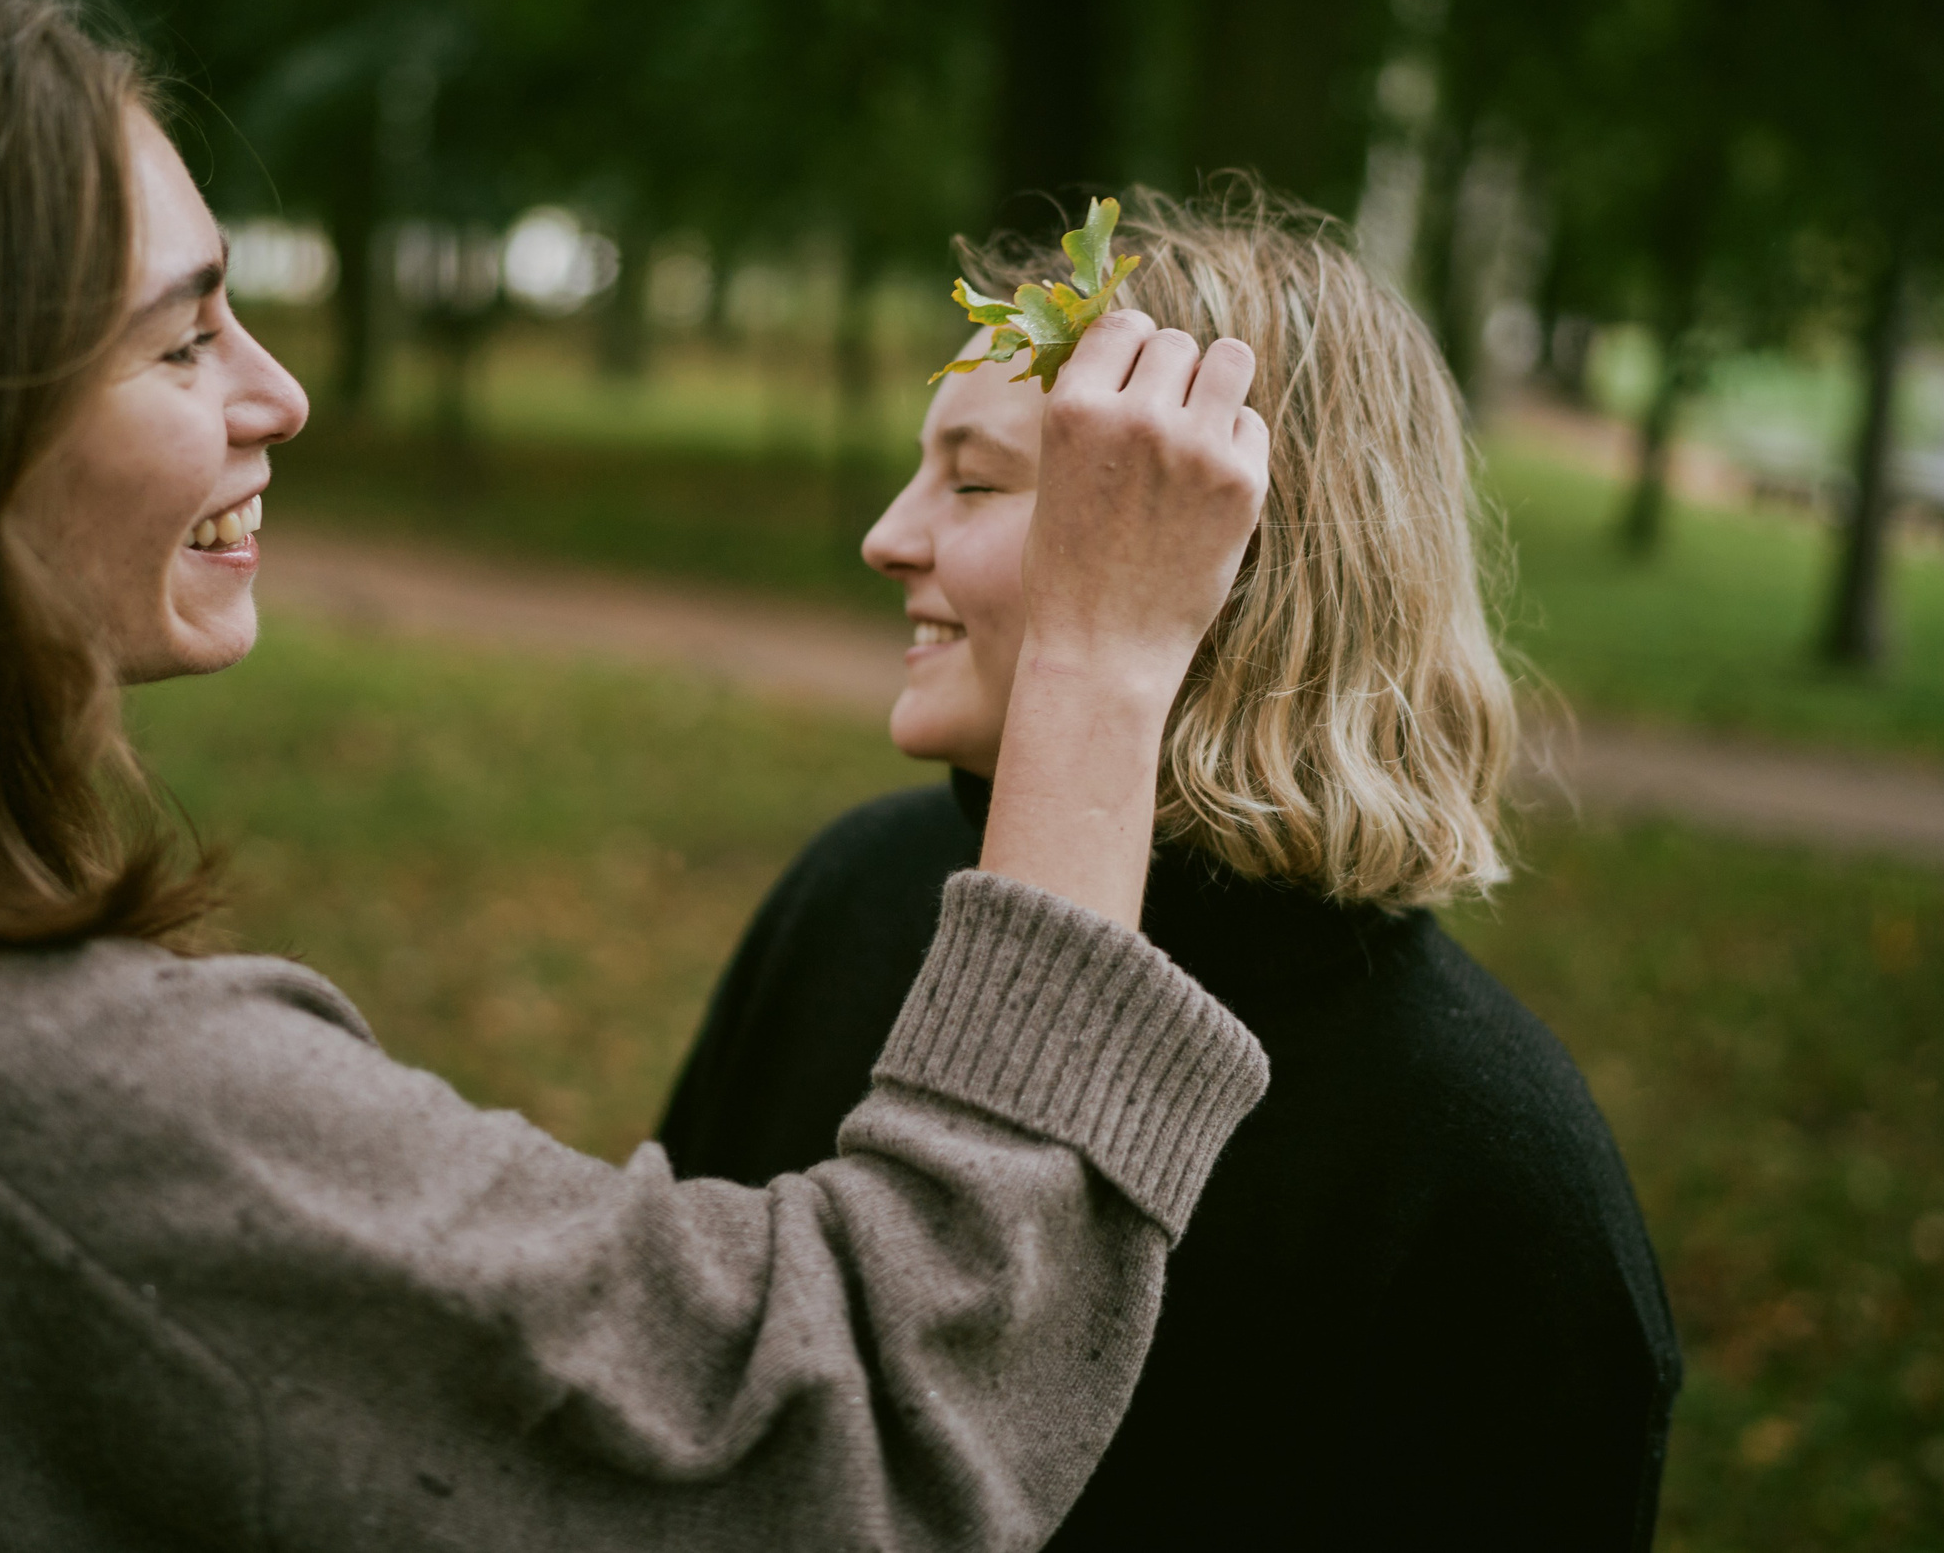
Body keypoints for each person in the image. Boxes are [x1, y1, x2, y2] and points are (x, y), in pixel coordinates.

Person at [0, 0, 1280, 1550]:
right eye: (178, 337)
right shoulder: (33, 1122)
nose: (280, 394)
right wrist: (1099, 669)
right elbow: (851, 1434)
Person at [660, 186, 1685, 1551]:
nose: (887, 536)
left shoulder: (1494, 1180)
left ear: (1216, 552)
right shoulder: (851, 899)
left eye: (973, 481)